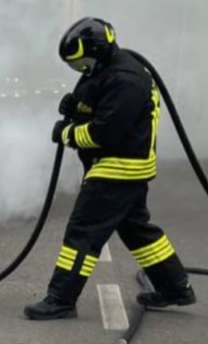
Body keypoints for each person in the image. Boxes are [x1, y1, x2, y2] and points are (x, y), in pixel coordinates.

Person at [25, 17, 197, 320]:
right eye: (78, 66)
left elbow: (103, 133)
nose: (83, 69)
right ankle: (175, 287)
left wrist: (65, 134)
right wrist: (76, 105)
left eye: (85, 62)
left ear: (100, 50)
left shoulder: (127, 79)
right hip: (126, 167)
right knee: (138, 231)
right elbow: (97, 98)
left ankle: (61, 299)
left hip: (118, 168)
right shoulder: (112, 68)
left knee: (83, 232)